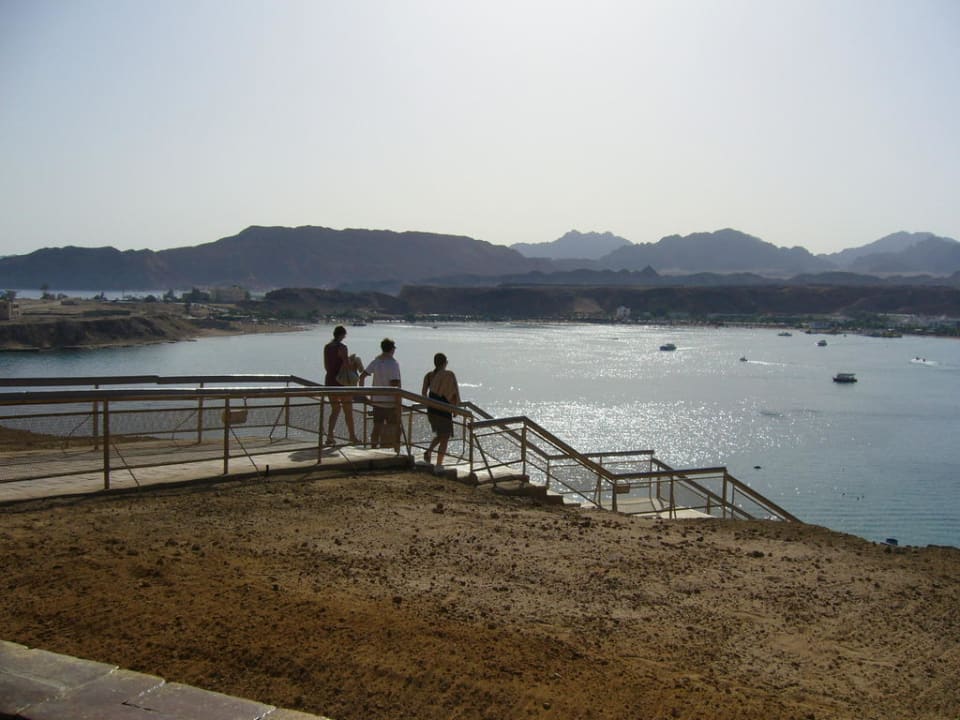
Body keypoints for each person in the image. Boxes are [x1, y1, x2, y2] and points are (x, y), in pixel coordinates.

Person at [359, 338, 401, 450]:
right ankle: (393, 450)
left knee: (377, 427)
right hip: (390, 402)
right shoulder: (393, 364)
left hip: (377, 401)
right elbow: (395, 383)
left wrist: (363, 394)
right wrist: (398, 401)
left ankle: (373, 448)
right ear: (392, 349)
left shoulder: (376, 362)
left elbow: (362, 376)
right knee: (394, 427)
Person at [421, 352, 460, 466]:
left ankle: (428, 452)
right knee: (445, 437)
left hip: (432, 409)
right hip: (444, 409)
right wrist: (455, 408)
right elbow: (453, 394)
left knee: (441, 434)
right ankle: (439, 464)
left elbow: (423, 393)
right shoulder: (448, 375)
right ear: (444, 363)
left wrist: (429, 404)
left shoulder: (428, 376)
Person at [323, 325, 359, 445]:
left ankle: (330, 435)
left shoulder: (327, 347)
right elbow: (345, 365)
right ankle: (352, 436)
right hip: (341, 382)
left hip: (329, 381)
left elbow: (326, 366)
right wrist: (352, 362)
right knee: (348, 409)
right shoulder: (342, 347)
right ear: (342, 335)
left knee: (335, 408)